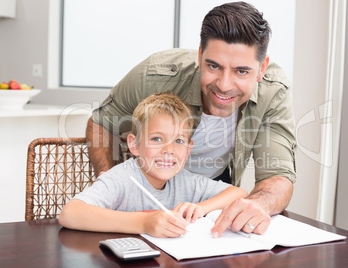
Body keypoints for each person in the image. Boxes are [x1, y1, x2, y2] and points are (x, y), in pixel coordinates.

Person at [86, 2, 296, 238]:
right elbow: (102, 123)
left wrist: (259, 205)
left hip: (208, 194)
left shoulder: (273, 91)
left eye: (241, 71)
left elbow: (277, 177)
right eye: (214, 66)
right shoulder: (153, 75)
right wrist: (112, 180)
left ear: (261, 68)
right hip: (145, 192)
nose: (224, 85)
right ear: (200, 55)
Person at [60, 92, 247, 237]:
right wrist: (144, 223)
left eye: (179, 141)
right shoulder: (121, 178)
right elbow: (70, 213)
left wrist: (202, 208)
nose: (169, 149)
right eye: (157, 138)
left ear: (188, 150)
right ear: (134, 145)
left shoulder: (184, 180)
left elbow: (239, 194)